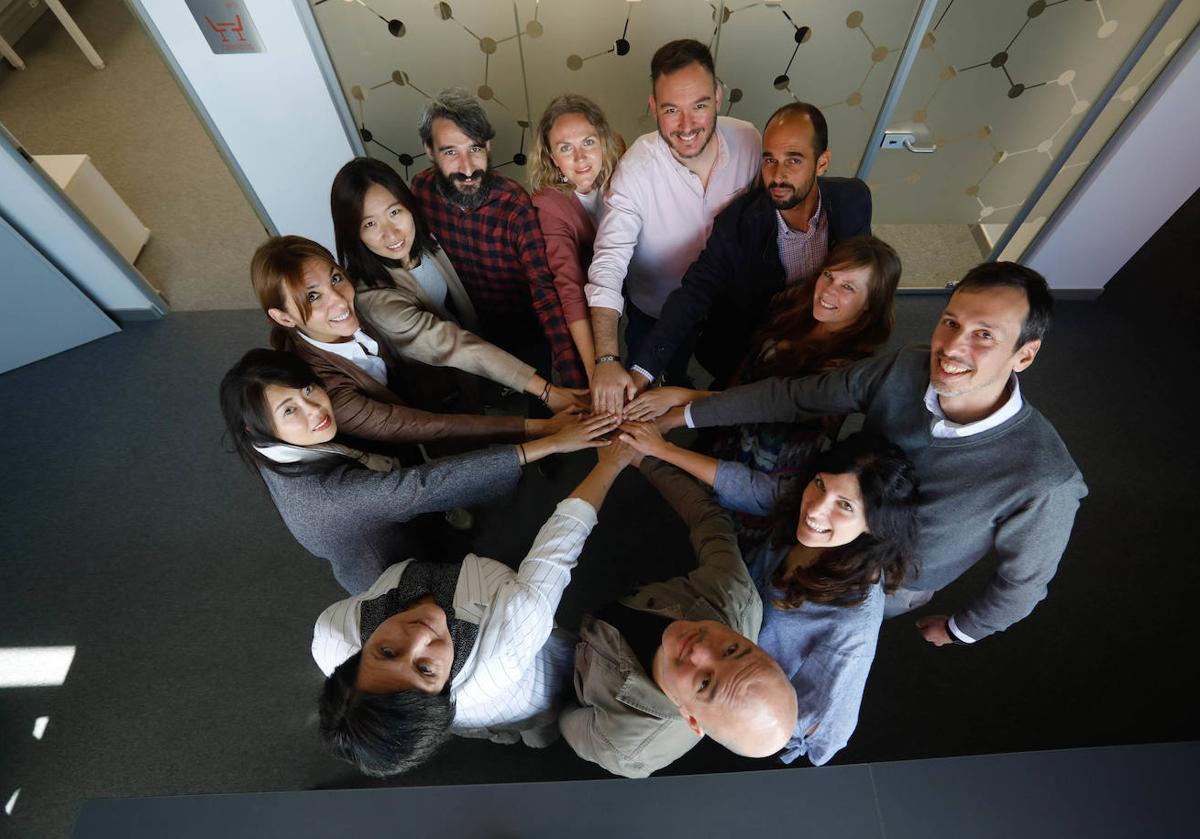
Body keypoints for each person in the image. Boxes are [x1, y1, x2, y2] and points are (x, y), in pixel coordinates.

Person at [661, 262, 1088, 645]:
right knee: (753, 593)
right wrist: (689, 414)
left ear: (1024, 355)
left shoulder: (1045, 479)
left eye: (983, 336)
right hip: (812, 528)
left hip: (881, 584)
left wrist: (962, 629)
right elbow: (799, 397)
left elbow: (1023, 583)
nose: (953, 347)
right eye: (950, 322)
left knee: (790, 643)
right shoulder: (905, 367)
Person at [313, 437, 638, 777]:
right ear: (443, 695)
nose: (418, 636)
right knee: (541, 717)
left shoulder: (333, 633)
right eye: (425, 669)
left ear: (358, 652)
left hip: (465, 700)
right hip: (528, 685)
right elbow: (560, 543)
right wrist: (610, 463)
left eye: (387, 651)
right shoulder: (511, 635)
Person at [618, 426, 918, 765]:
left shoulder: (852, 627)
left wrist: (750, 722)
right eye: (819, 484)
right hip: (714, 627)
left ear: (875, 527)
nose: (816, 510)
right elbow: (746, 487)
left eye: (845, 506)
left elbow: (830, 730)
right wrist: (656, 451)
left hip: (719, 686)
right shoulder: (803, 509)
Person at [219, 349, 616, 594]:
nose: (315, 410)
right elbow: (420, 488)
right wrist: (552, 441)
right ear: (257, 428)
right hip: (390, 570)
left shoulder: (268, 447)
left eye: (308, 390)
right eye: (290, 410)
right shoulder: (328, 499)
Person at [626, 235, 901, 549]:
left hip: (748, 481)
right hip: (726, 438)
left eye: (848, 287)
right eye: (829, 275)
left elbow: (764, 477)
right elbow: (749, 395)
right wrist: (680, 400)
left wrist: (675, 421)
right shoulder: (794, 310)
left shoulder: (839, 381)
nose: (827, 291)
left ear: (870, 307)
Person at [559, 458, 797, 778]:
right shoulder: (735, 597)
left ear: (692, 719)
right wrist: (642, 457)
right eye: (732, 650)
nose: (699, 649)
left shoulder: (627, 746)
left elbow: (565, 720)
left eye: (705, 682)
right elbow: (709, 520)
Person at [629, 101, 873, 388]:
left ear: (822, 163)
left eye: (793, 160)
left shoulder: (853, 200)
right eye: (769, 160)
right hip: (751, 350)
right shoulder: (738, 222)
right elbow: (694, 291)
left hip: (823, 343)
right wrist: (642, 371)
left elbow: (864, 276)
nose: (778, 175)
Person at [252, 235, 574, 449]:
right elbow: (422, 427)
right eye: (312, 296)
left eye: (335, 278)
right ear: (284, 318)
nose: (339, 300)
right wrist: (538, 430)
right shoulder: (323, 388)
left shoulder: (367, 305)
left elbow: (453, 344)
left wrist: (547, 391)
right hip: (398, 452)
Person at [585, 39, 761, 415]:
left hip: (729, 303)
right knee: (657, 382)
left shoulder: (750, 140)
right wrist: (605, 359)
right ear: (653, 108)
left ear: (718, 96)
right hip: (658, 308)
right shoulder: (634, 170)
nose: (686, 126)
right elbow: (608, 264)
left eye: (699, 105)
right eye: (671, 110)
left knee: (732, 376)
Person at [330, 157, 587, 414]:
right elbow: (456, 345)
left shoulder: (426, 243)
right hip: (449, 402)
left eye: (394, 212)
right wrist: (546, 391)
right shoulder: (373, 297)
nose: (391, 234)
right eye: (370, 224)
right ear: (354, 233)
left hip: (486, 373)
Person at [409, 88, 586, 389]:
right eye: (450, 152)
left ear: (488, 145)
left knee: (541, 405)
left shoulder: (514, 205)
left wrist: (576, 382)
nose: (466, 168)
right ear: (428, 150)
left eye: (475, 149)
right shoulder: (420, 191)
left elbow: (545, 291)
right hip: (465, 331)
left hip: (524, 331)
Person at [529, 94, 623, 385]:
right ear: (551, 157)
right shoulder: (549, 205)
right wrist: (597, 372)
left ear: (604, 141)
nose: (580, 158)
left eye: (588, 142)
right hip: (590, 301)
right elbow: (569, 287)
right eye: (565, 148)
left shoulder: (622, 161)